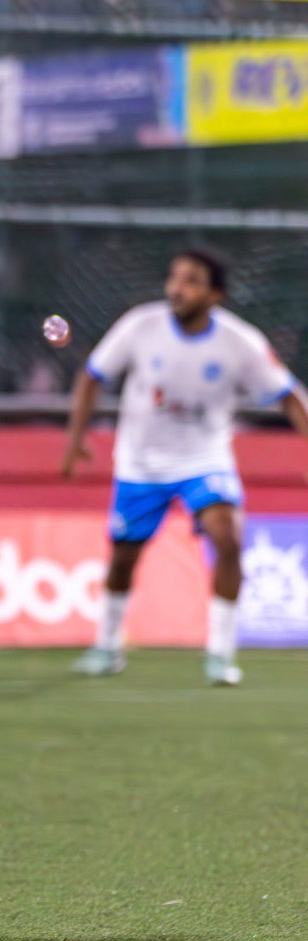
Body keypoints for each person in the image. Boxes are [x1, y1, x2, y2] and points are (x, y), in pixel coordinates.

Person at [62, 249, 308, 685]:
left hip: (204, 457)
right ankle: (107, 646)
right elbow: (93, 375)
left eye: (191, 280)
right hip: (141, 462)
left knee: (226, 536)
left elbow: (289, 393)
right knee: (123, 557)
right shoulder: (140, 326)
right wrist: (76, 440)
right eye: (174, 278)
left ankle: (220, 655)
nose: (177, 288)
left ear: (215, 295)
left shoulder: (240, 342)